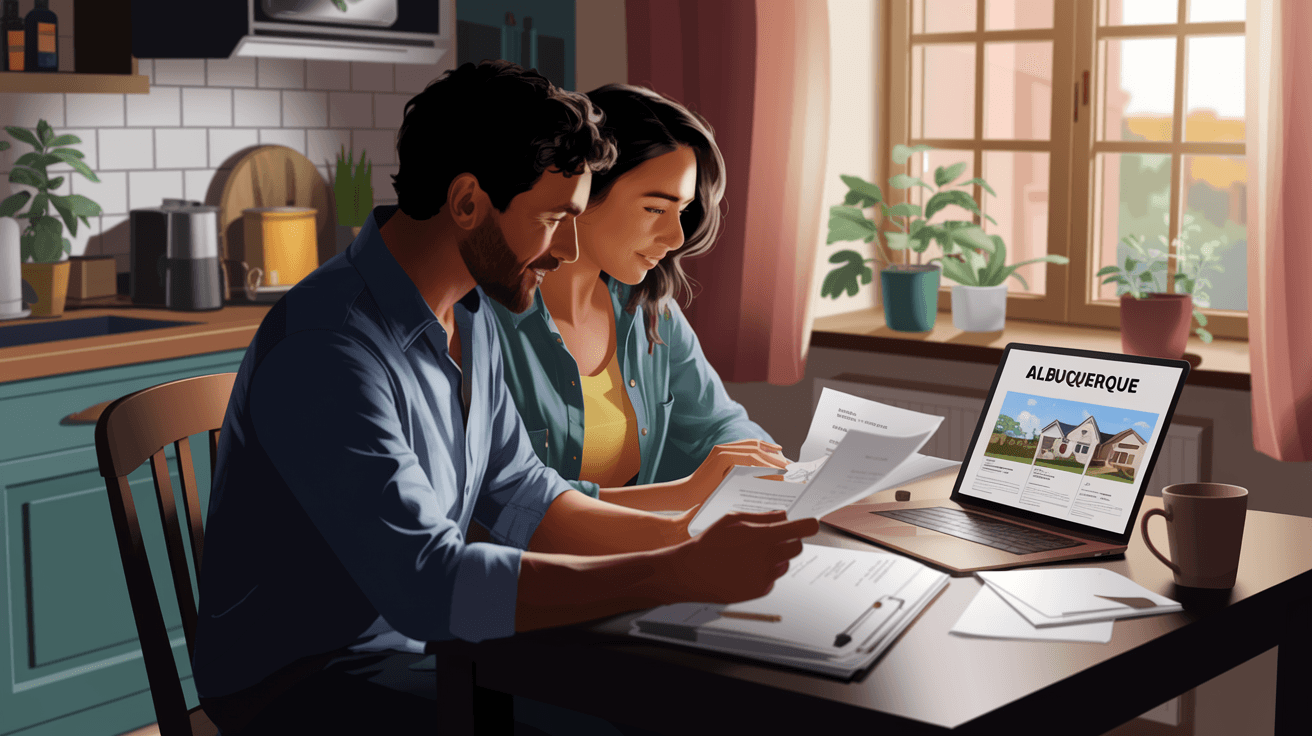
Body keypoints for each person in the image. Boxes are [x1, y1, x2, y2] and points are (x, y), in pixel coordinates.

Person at [190, 61, 817, 736]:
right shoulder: (327, 347)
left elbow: (526, 495)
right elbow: (427, 585)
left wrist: (688, 544)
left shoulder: (474, 311)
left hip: (427, 653)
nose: (568, 249)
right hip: (305, 683)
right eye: (554, 218)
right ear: (467, 203)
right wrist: (671, 572)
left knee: (674, 697)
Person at [490, 83, 784, 513]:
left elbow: (717, 424)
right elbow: (503, 503)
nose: (676, 237)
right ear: (584, 189)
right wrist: (680, 495)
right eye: (654, 209)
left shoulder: (649, 310)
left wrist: (773, 472)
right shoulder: (485, 320)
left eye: (681, 212)